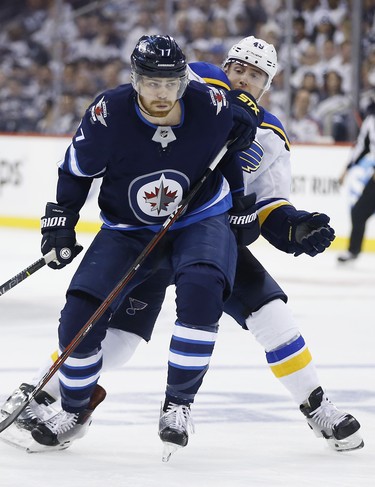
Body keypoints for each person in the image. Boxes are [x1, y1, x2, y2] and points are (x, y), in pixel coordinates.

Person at [2, 37, 363, 460]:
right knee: (116, 337)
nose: (243, 77)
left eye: (256, 74)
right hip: (145, 234)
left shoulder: (269, 136)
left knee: (273, 317)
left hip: (211, 234)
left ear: (268, 85)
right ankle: (46, 392)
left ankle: (318, 407)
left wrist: (294, 227)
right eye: (238, 68)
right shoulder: (199, 90)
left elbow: (265, 207)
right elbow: (182, 86)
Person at [337, 97, 375, 262]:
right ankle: (353, 250)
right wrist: (346, 169)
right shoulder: (371, 118)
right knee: (359, 212)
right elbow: (362, 146)